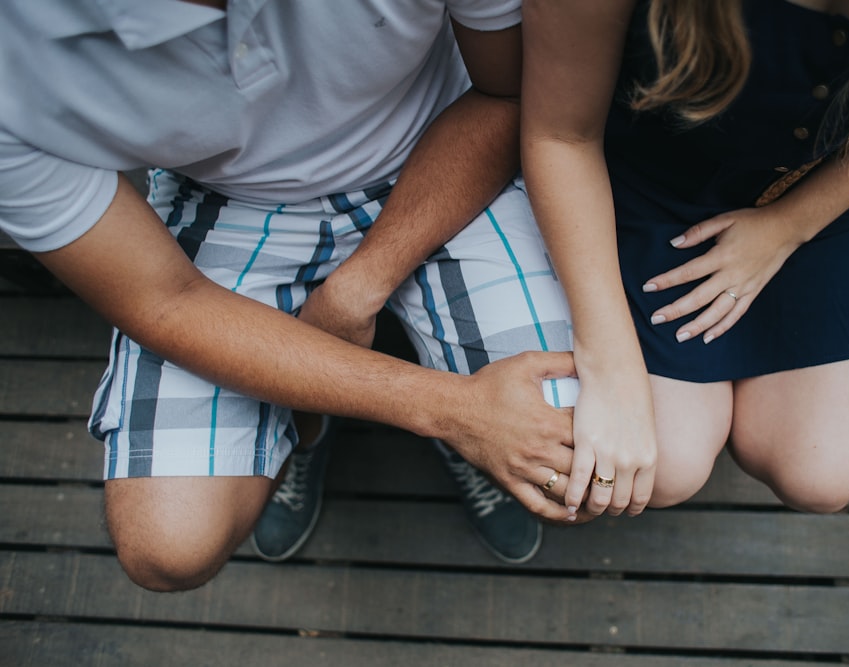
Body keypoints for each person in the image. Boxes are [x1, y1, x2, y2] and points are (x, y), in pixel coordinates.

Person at [0, 0, 585, 591]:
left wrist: (359, 286)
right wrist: (453, 410)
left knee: (573, 452)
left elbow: (508, 93)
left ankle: (450, 432)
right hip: (229, 196)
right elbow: (164, 301)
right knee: (168, 544)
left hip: (441, 146)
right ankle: (314, 430)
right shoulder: (13, 64)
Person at [521, 0, 849, 518]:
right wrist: (608, 363)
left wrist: (790, 224)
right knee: (665, 465)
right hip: (658, 176)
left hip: (836, 178)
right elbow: (561, 134)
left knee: (819, 473)